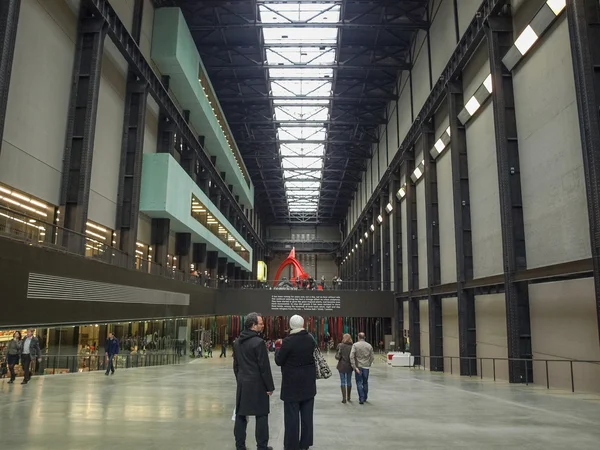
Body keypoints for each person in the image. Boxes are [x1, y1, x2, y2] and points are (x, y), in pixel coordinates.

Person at [233, 312, 275, 450]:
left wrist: (240, 379)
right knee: (261, 415)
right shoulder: (258, 343)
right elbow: (264, 367)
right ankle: (262, 446)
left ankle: (240, 446)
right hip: (258, 385)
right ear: (253, 325)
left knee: (241, 415)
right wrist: (269, 387)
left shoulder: (237, 342)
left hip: (243, 384)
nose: (263, 325)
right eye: (260, 323)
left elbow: (236, 365)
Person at [275, 315, 316, 450]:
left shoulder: (288, 341)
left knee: (292, 418)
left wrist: (277, 347)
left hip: (292, 385)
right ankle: (305, 444)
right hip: (308, 384)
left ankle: (291, 445)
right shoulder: (310, 339)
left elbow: (279, 361)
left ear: (291, 325)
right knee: (307, 418)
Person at [350, 332, 375, 405]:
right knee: (365, 382)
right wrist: (369, 363)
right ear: (364, 337)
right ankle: (365, 397)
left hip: (358, 367)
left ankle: (361, 398)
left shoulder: (355, 345)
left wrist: (354, 366)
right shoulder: (369, 346)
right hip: (366, 367)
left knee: (359, 382)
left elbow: (351, 356)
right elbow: (372, 357)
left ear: (358, 337)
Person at [335, 333, 354, 404]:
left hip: (341, 366)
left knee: (342, 381)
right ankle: (349, 397)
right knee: (349, 381)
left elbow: (337, 357)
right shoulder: (353, 346)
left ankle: (344, 399)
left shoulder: (340, 345)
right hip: (350, 366)